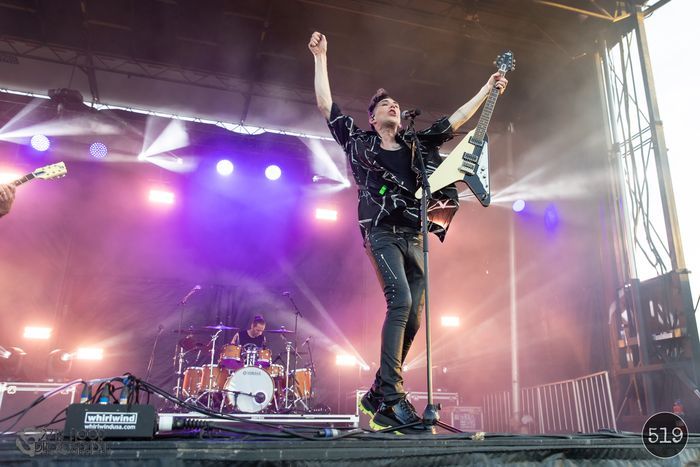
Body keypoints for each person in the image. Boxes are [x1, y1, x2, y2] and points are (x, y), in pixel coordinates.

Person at [308, 31, 507, 432]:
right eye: (385, 104)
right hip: (381, 232)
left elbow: (455, 121)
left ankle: (377, 393)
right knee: (399, 300)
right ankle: (394, 397)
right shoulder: (359, 143)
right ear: (373, 118)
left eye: (396, 104)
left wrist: (488, 89)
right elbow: (326, 105)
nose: (393, 106)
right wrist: (321, 57)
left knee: (414, 313)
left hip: (414, 234)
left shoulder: (416, 144)